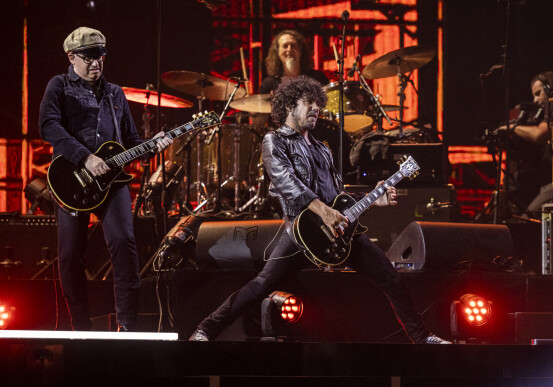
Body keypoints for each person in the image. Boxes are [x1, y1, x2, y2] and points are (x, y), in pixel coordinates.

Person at [191, 75, 450, 344]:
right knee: (261, 285)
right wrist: (321, 211)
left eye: (318, 103)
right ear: (290, 105)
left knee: (390, 277)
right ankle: (205, 330)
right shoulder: (274, 141)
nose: (316, 108)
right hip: (301, 233)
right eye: (309, 102)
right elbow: (286, 182)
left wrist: (374, 198)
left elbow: (336, 197)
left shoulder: (322, 149)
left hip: (337, 233)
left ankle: (422, 338)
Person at [39, 27, 173, 331]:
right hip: (71, 179)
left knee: (124, 242)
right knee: (71, 254)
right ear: (71, 57)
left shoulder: (115, 93)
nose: (96, 63)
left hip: (111, 183)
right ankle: (81, 325)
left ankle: (126, 323)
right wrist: (85, 157)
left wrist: (152, 146)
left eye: (100, 56)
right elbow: (48, 125)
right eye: (88, 57)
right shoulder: (59, 86)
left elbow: (130, 142)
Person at [497, 71, 553, 217]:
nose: (535, 100)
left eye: (538, 93)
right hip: (549, 180)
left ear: (550, 89)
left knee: (528, 218)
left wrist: (512, 127)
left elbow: (538, 134)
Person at [259, 30, 329, 95]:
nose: (289, 49)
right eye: (285, 46)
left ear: (301, 50)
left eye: (293, 45)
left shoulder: (318, 78)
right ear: (277, 52)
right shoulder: (268, 85)